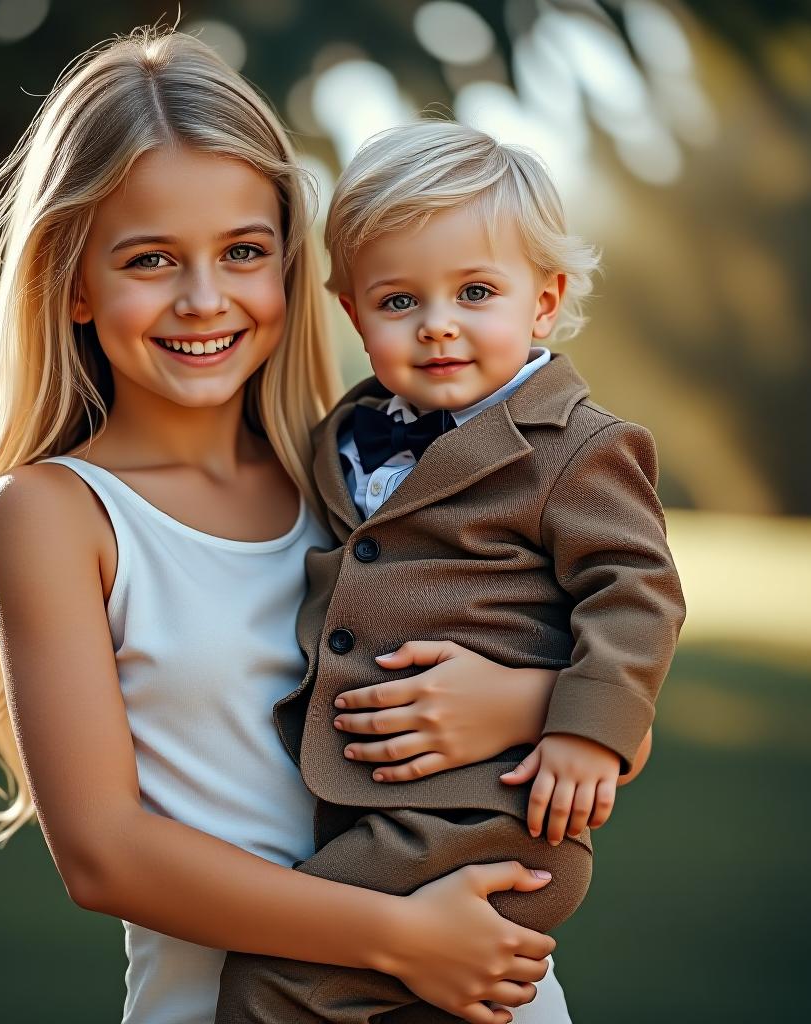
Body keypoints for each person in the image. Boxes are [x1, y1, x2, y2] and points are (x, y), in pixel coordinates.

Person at [0, 29, 591, 1024]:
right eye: (151, 259)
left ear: (288, 267)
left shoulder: (364, 477)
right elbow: (105, 854)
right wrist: (399, 935)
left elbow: (614, 710)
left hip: (494, 997)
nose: (203, 298)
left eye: (242, 253)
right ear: (74, 280)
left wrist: (515, 702)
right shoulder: (59, 513)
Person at [215, 121, 683, 1023]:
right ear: (353, 313)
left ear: (542, 303)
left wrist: (589, 731)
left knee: (275, 979)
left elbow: (638, 590)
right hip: (388, 815)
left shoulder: (578, 447)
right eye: (399, 302)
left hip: (488, 822)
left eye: (476, 291)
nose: (438, 325)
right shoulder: (344, 439)